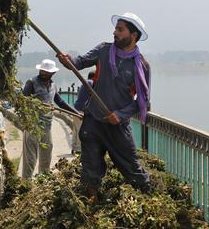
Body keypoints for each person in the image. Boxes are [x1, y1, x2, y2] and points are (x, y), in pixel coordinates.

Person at [57, 13, 151, 199]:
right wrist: (68, 62)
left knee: (133, 171)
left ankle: (148, 197)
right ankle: (91, 203)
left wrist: (121, 114)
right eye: (116, 28)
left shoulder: (141, 66)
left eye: (120, 29)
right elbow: (80, 62)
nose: (114, 32)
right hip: (93, 121)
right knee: (90, 170)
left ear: (134, 35)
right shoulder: (103, 50)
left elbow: (143, 103)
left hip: (117, 126)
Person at [21, 59, 76, 179]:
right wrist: (36, 105)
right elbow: (23, 102)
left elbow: (60, 102)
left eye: (47, 72)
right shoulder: (31, 83)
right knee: (30, 157)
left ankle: (43, 179)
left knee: (46, 155)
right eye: (42, 71)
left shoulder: (53, 86)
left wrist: (76, 113)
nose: (44, 74)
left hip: (47, 126)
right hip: (32, 125)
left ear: (53, 73)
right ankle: (25, 183)